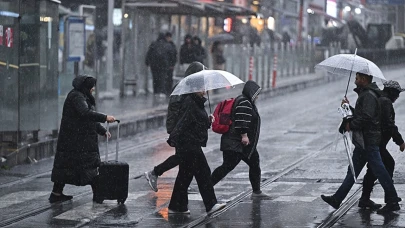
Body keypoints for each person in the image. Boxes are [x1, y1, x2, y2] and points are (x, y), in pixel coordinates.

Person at [321, 72, 401, 214]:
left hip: (369, 141)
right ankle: (337, 199)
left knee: (380, 171)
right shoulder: (366, 94)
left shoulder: (369, 95)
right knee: (353, 172)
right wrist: (347, 107)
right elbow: (362, 114)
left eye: (357, 78)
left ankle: (393, 200)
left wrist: (351, 125)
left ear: (364, 79)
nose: (355, 81)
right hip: (364, 141)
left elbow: (367, 118)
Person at [49, 75, 116, 203]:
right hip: (77, 141)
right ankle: (98, 195)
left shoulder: (80, 96)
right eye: (92, 87)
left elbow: (87, 118)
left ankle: (56, 193)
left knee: (66, 167)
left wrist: (101, 130)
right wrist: (105, 117)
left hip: (75, 139)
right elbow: (85, 114)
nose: (93, 90)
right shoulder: (77, 97)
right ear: (86, 87)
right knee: (89, 167)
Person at [144, 62, 207, 192]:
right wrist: (173, 129)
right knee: (183, 157)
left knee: (185, 160)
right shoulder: (183, 88)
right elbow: (176, 110)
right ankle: (155, 172)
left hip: (184, 129)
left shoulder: (190, 87)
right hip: (181, 130)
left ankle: (181, 186)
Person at [166, 76, 225, 215]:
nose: (205, 91)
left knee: (185, 176)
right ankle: (211, 204)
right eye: (202, 88)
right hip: (189, 144)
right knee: (203, 173)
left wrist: (207, 120)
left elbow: (196, 122)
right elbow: (184, 122)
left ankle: (176, 206)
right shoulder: (190, 102)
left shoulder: (197, 102)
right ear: (195, 89)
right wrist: (173, 137)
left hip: (191, 143)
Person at [211, 80, 270, 199]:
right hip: (237, 143)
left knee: (253, 163)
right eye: (256, 93)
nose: (257, 96)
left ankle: (257, 192)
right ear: (252, 92)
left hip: (241, 143)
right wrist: (244, 135)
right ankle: (206, 186)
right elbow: (241, 121)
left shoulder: (245, 100)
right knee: (227, 166)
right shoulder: (244, 102)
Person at [359, 80, 405, 209]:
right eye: (396, 93)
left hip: (376, 142)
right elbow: (388, 124)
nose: (398, 96)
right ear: (391, 92)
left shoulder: (381, 99)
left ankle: (365, 199)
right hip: (377, 142)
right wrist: (400, 141)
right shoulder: (385, 102)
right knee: (387, 164)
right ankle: (391, 200)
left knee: (374, 170)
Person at [145, 33, 171, 97]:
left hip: (154, 65)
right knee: (162, 78)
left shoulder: (153, 44)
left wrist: (147, 62)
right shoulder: (167, 45)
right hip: (163, 65)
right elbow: (171, 55)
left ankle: (156, 91)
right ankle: (161, 92)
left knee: (155, 78)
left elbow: (149, 54)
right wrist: (170, 64)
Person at [165, 32, 178, 96]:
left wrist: (172, 64)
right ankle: (167, 90)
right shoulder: (170, 45)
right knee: (167, 78)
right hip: (166, 65)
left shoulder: (171, 45)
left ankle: (168, 90)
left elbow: (174, 55)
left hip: (169, 65)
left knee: (169, 78)